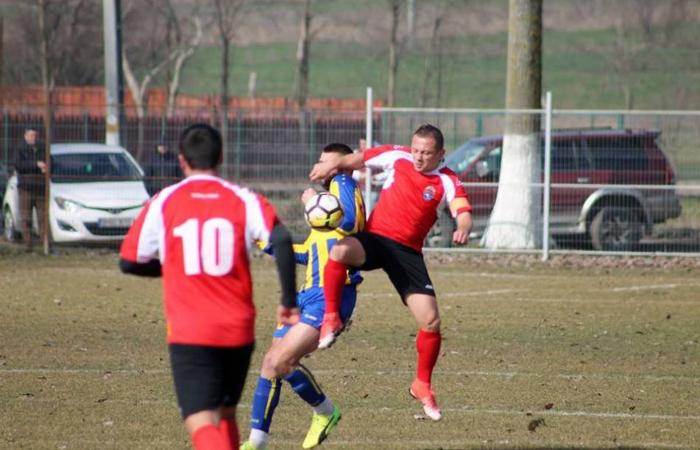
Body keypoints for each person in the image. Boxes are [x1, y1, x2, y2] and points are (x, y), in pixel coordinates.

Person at [119, 123, 297, 450]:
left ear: (181, 160)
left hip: (191, 330)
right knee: (225, 415)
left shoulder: (164, 200)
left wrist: (175, 267)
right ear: (221, 157)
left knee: (201, 421)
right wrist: (288, 301)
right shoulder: (243, 198)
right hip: (237, 329)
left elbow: (129, 261)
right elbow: (282, 240)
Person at [308, 124, 473, 421]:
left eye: (426, 153)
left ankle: (421, 384)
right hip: (376, 240)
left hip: (407, 254)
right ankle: (331, 318)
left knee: (431, 320)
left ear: (441, 154)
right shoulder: (397, 156)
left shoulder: (447, 180)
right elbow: (355, 160)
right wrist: (330, 166)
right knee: (340, 251)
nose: (418, 157)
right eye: (416, 150)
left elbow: (462, 210)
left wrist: (463, 227)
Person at [241, 143, 365, 450]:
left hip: (329, 295)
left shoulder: (342, 182)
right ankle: (256, 441)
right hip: (307, 294)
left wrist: (314, 202)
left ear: (342, 163)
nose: (318, 165)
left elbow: (349, 223)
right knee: (271, 364)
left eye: (325, 161)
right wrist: (265, 242)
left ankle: (325, 412)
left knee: (281, 360)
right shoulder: (329, 203)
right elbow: (310, 252)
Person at [15, 128, 47, 250]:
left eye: (35, 135)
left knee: (43, 217)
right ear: (25, 136)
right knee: (26, 217)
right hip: (26, 188)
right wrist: (36, 165)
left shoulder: (42, 148)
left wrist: (47, 167)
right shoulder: (20, 149)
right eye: (30, 135)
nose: (33, 138)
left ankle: (45, 244)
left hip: (40, 188)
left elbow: (50, 162)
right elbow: (19, 166)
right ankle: (28, 244)